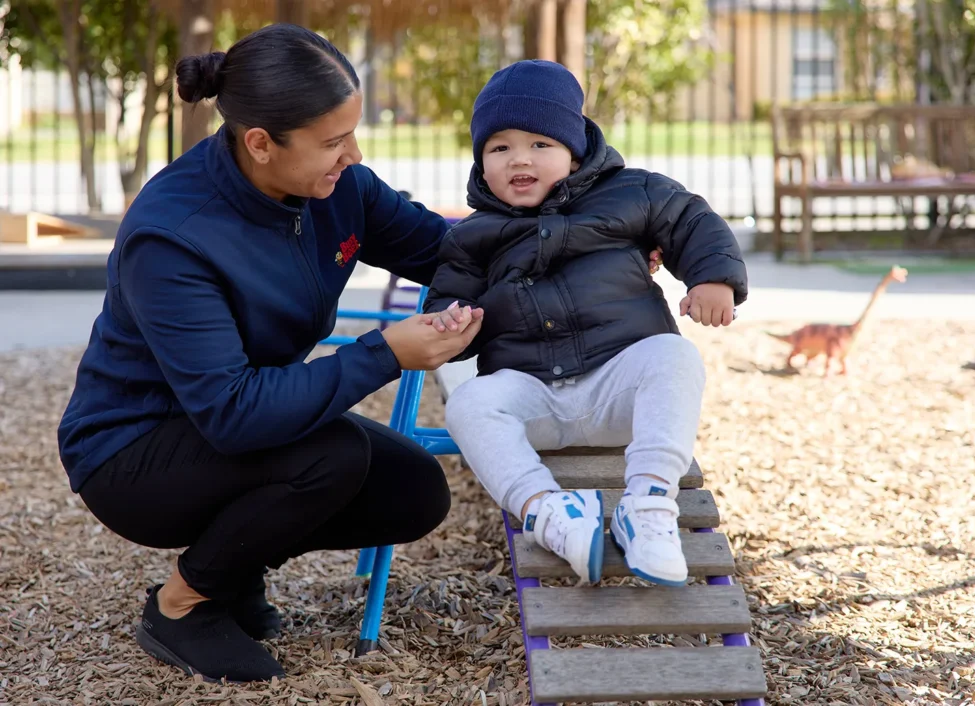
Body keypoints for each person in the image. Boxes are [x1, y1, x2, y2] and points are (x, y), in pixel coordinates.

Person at [55, 23, 485, 684]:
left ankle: (234, 567)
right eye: (334, 142)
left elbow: (446, 249)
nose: (354, 154)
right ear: (260, 143)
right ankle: (181, 605)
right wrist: (384, 352)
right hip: (133, 451)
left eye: (352, 133)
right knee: (330, 457)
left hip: (236, 419)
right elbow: (233, 414)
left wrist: (583, 243)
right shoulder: (173, 237)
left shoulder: (339, 189)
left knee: (413, 491)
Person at [423, 60, 748, 587]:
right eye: (499, 148)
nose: (519, 159)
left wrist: (714, 280)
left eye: (539, 145)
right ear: (481, 162)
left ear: (574, 151)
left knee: (674, 356)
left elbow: (693, 221)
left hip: (618, 385)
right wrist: (449, 324)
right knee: (470, 403)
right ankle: (547, 511)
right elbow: (449, 301)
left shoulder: (632, 192)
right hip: (533, 398)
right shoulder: (473, 237)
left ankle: (646, 504)